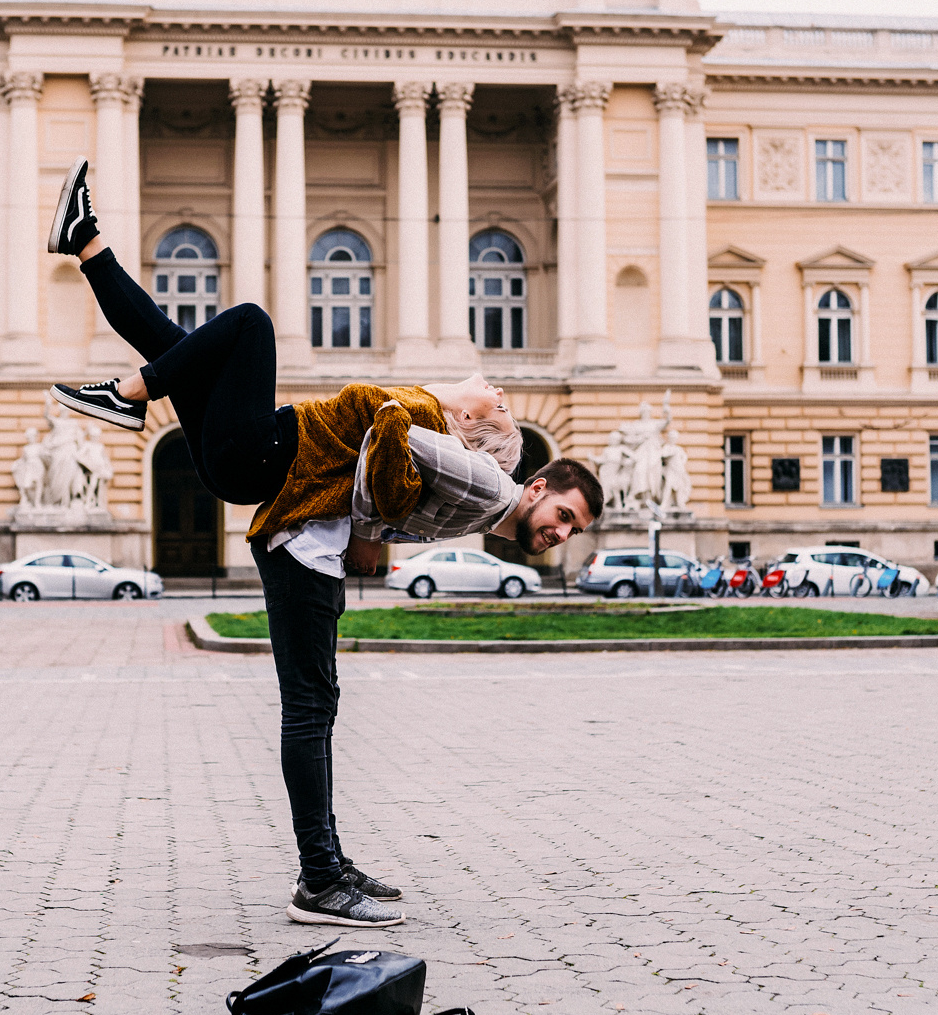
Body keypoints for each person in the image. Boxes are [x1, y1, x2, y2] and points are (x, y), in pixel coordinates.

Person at [41, 158, 603, 929]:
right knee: (228, 332)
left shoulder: (486, 508)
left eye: (571, 530)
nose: (561, 535)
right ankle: (97, 275)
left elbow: (390, 479)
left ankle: (326, 863)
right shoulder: (489, 495)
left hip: (271, 476)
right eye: (565, 516)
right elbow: (390, 424)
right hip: (270, 472)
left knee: (315, 705)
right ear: (539, 489)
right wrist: (452, 402)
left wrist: (451, 420)